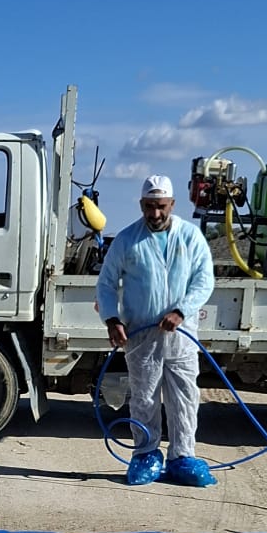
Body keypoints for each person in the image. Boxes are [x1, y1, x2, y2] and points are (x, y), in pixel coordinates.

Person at [96, 175, 217, 487]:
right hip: (141, 337)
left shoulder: (190, 237)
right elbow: (106, 283)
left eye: (161, 206)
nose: (155, 213)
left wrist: (181, 311)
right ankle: (146, 454)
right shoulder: (127, 240)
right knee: (144, 398)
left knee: (184, 398)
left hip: (181, 338)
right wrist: (112, 319)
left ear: (172, 204)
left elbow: (204, 280)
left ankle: (182, 457)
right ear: (141, 205)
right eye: (149, 206)